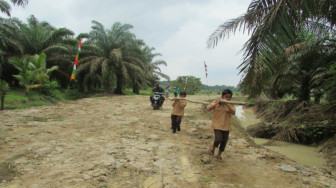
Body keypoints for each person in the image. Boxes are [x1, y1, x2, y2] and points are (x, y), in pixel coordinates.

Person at [206, 89, 236, 161]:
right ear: (222, 96)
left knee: (224, 141)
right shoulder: (217, 102)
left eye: (229, 97)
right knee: (218, 139)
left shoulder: (231, 104)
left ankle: (219, 155)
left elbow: (233, 112)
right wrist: (216, 103)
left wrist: (227, 104)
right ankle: (213, 147)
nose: (228, 98)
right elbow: (208, 108)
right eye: (226, 97)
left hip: (226, 126)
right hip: (217, 125)